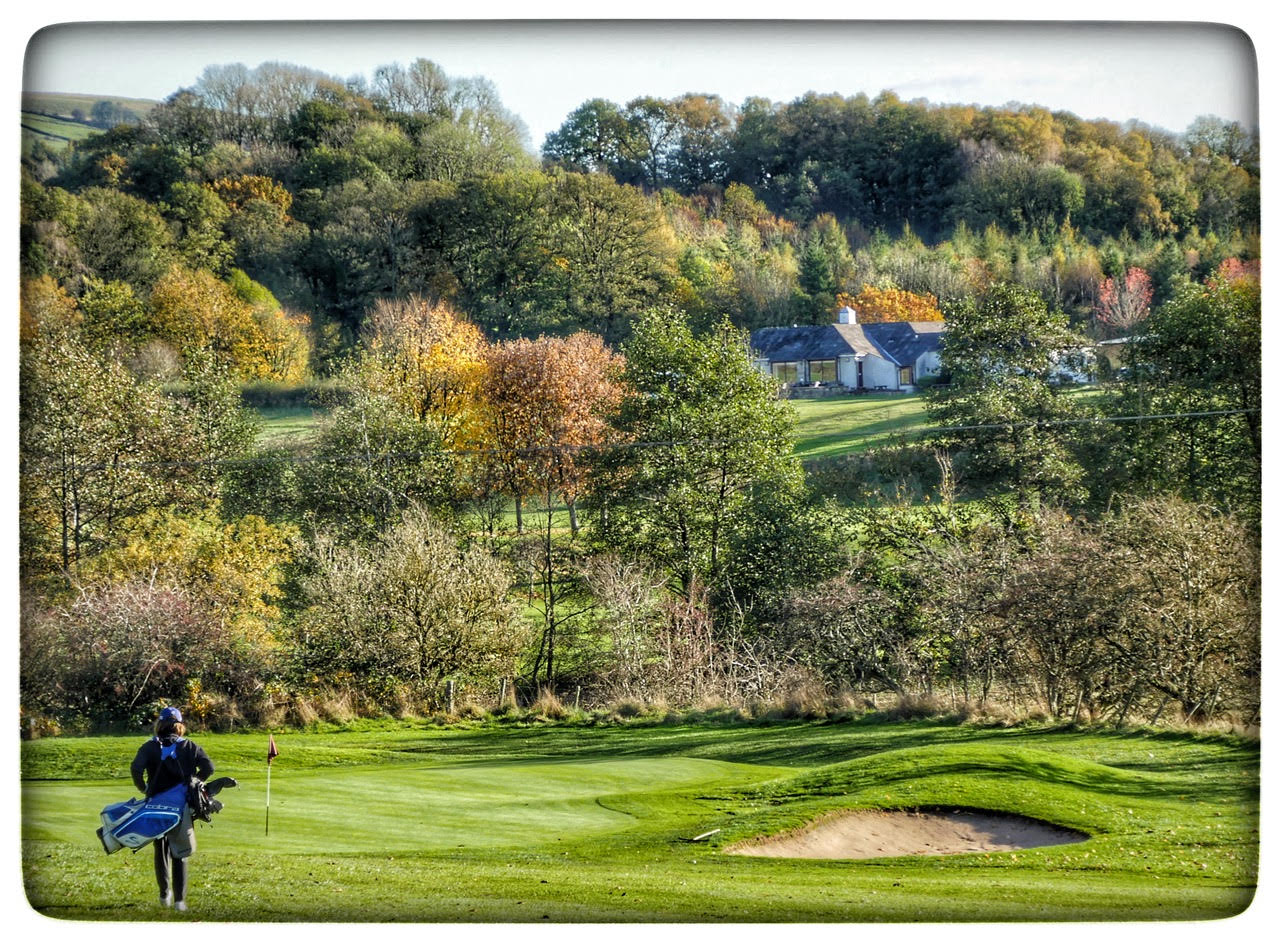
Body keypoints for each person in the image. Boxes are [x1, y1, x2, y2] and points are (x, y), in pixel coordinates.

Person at [130, 706, 214, 913]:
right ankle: (180, 902)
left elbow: (135, 768)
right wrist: (196, 782)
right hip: (181, 806)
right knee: (180, 851)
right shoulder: (189, 746)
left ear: (160, 724)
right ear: (179, 725)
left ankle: (164, 894)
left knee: (161, 850)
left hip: (155, 805)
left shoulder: (149, 747)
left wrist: (144, 788)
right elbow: (209, 767)